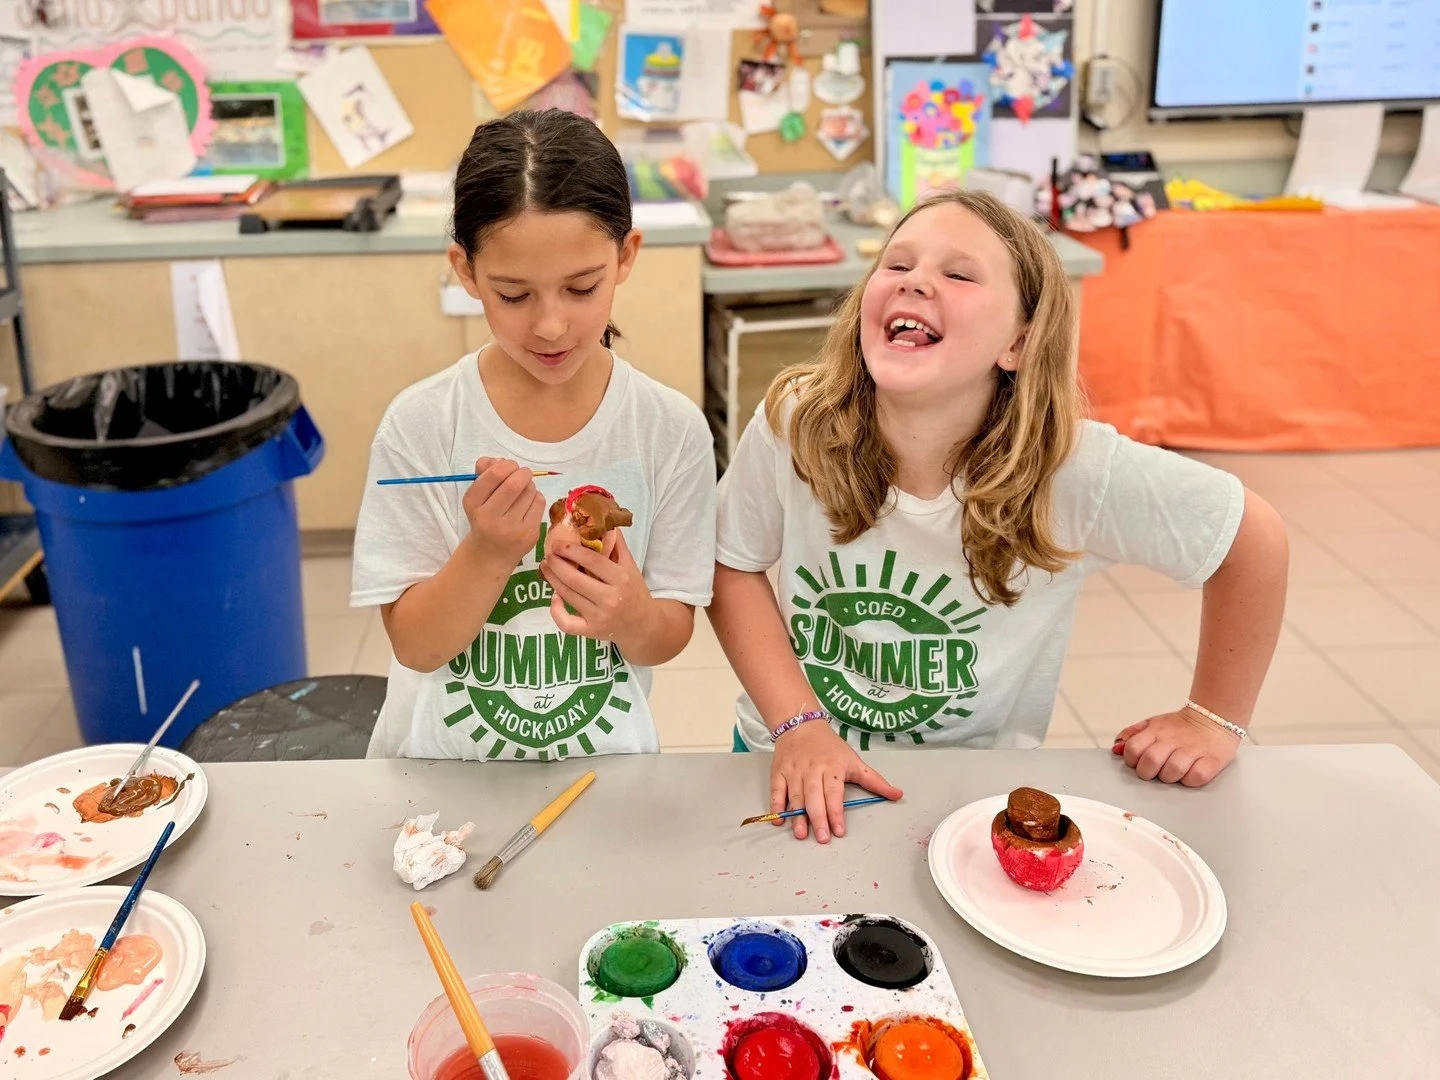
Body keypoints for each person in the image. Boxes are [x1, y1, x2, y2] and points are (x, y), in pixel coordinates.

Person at [709, 189, 1288, 842]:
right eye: (896, 265)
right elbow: (732, 564)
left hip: (968, 785)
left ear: (1017, 342)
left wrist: (1213, 719)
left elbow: (1253, 539)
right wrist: (799, 725)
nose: (916, 281)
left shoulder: (1074, 469)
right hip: (786, 755)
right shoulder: (796, 420)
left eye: (959, 274)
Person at [351, 109, 715, 760]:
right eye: (514, 295)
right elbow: (416, 646)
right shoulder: (422, 425)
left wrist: (630, 614)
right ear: (466, 270)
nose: (550, 326)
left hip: (603, 769)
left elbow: (667, 635)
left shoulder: (671, 429)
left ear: (626, 256)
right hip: (440, 770)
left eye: (581, 288)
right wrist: (488, 552)